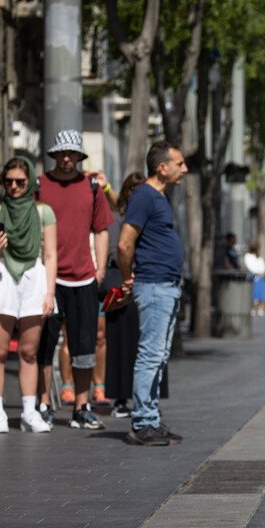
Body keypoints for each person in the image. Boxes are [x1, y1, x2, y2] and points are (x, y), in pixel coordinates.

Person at [34, 129, 113, 430]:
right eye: (62, 153)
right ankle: (43, 404)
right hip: (47, 280)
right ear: (54, 155)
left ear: (80, 156)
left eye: (72, 153)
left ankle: (82, 406)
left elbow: (101, 229)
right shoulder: (39, 185)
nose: (66, 158)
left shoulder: (91, 187)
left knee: (84, 347)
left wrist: (100, 269)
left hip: (83, 279)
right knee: (45, 345)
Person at [117, 140, 187, 446]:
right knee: (150, 355)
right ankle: (142, 422)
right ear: (162, 167)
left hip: (166, 286)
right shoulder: (144, 196)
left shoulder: (159, 196)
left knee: (158, 356)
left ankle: (151, 418)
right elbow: (124, 242)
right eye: (179, 164)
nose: (184, 168)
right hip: (154, 285)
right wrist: (126, 277)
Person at [0, 157, 56, 433]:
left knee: (28, 352)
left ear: (31, 182)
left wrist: (50, 292)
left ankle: (28, 412)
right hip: (2, 276)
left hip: (35, 278)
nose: (13, 186)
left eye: (20, 182)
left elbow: (50, 254)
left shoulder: (43, 212)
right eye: (9, 181)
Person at [244, 243, 265, 316]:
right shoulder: (248, 256)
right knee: (253, 295)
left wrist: (262, 272)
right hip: (252, 278)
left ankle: (260, 308)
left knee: (261, 294)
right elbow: (250, 266)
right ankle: (252, 309)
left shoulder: (258, 257)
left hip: (260, 278)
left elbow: (262, 265)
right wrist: (257, 272)